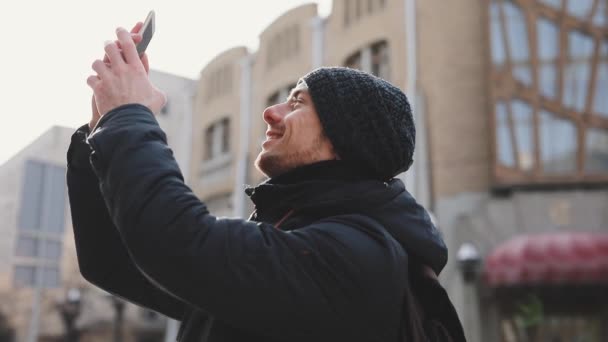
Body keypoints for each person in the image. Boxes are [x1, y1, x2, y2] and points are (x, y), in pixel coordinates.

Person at [67, 23, 466, 342]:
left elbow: (179, 242)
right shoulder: (292, 231)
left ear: (347, 136)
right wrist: (100, 129)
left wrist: (130, 116)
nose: (270, 113)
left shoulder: (359, 253)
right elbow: (111, 261)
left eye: (296, 103)